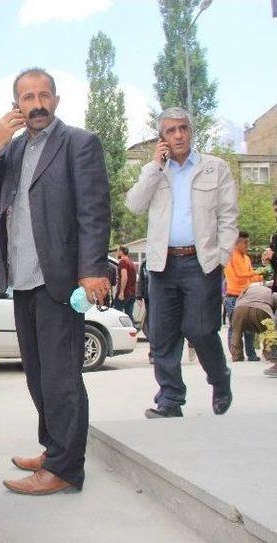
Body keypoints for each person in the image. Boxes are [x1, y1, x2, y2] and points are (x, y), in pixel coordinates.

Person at [0, 67, 110, 495]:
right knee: (36, 373)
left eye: (43, 95)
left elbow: (94, 210)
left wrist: (93, 269)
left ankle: (66, 469)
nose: (36, 104)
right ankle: (55, 449)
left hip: (61, 280)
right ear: (17, 104)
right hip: (23, 280)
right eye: (27, 97)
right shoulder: (13, 150)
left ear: (55, 99)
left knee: (61, 377)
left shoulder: (79, 143)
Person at [126, 106, 238, 419]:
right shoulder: (156, 171)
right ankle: (170, 401)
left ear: (190, 131)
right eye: (171, 131)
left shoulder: (214, 168)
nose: (178, 135)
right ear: (162, 138)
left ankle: (220, 379)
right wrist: (153, 168)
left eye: (183, 129)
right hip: (163, 265)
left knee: (200, 330)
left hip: (201, 263)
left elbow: (229, 216)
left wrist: (223, 256)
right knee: (162, 335)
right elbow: (134, 205)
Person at [223, 231, 263, 361]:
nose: (247, 245)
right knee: (235, 326)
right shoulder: (230, 256)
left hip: (246, 295)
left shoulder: (246, 258)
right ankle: (236, 354)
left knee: (250, 325)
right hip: (233, 295)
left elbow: (249, 278)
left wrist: (261, 275)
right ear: (237, 243)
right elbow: (239, 275)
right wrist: (255, 273)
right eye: (245, 242)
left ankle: (251, 354)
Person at [228, 284, 277, 374]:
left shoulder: (247, 289)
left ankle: (237, 356)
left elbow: (239, 299)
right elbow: (274, 306)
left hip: (240, 309)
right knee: (268, 332)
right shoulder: (270, 292)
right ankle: (270, 355)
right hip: (262, 309)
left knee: (236, 333)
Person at [135, 259, 153, 364]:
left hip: (165, 299)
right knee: (151, 326)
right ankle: (153, 352)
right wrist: (139, 295)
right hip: (150, 299)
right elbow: (141, 280)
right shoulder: (145, 264)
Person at [113, 245, 136, 323]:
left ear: (121, 252)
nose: (117, 253)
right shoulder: (131, 263)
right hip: (132, 293)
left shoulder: (123, 262)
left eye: (118, 251)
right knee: (129, 314)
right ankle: (132, 331)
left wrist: (121, 292)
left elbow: (124, 277)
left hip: (125, 293)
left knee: (116, 314)